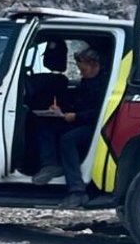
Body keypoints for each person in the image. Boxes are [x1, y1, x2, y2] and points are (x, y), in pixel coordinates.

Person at [32, 46, 109, 207]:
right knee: (45, 123)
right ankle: (50, 165)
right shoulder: (86, 82)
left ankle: (77, 191)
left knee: (68, 140)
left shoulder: (104, 85)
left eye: (83, 69)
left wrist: (76, 116)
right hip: (78, 121)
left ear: (95, 65)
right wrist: (61, 111)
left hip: (96, 128)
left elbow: (100, 112)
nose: (80, 73)